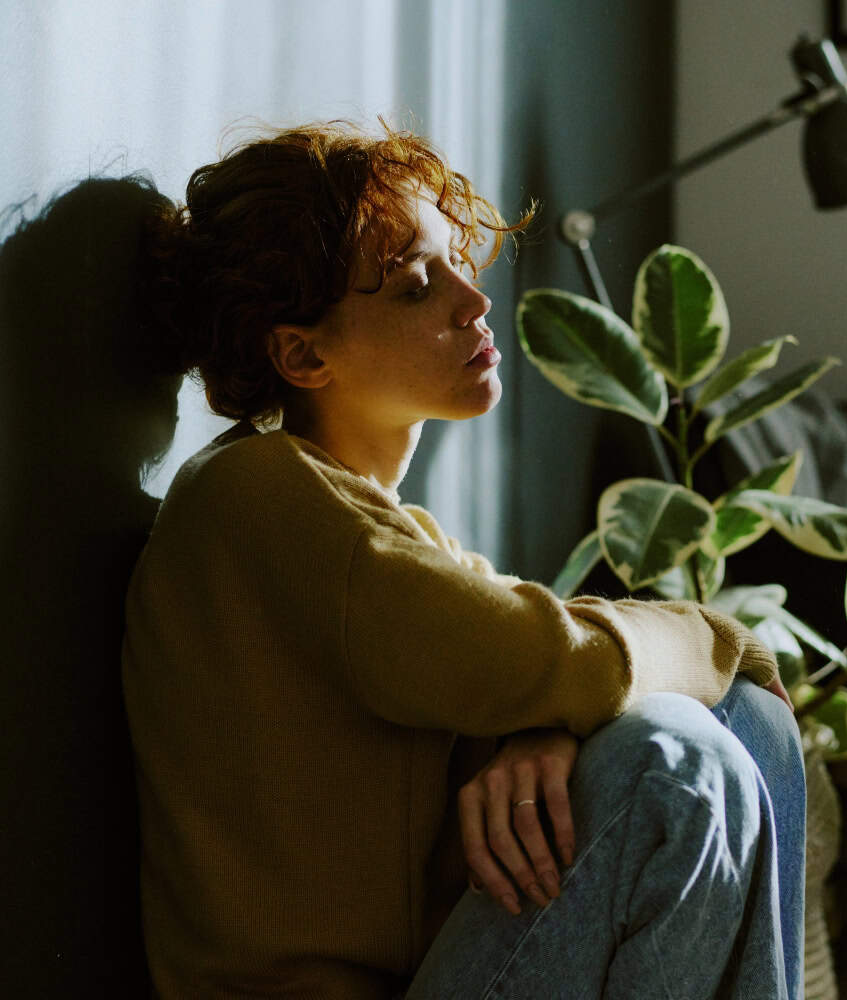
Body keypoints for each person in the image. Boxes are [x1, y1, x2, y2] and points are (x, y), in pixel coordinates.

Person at [121, 120, 805, 999]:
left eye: (454, 261)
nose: (472, 299)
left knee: (749, 720)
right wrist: (711, 631)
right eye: (414, 286)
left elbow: (539, 666)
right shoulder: (257, 494)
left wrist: (546, 724)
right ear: (302, 353)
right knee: (673, 768)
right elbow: (543, 656)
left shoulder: (401, 534)